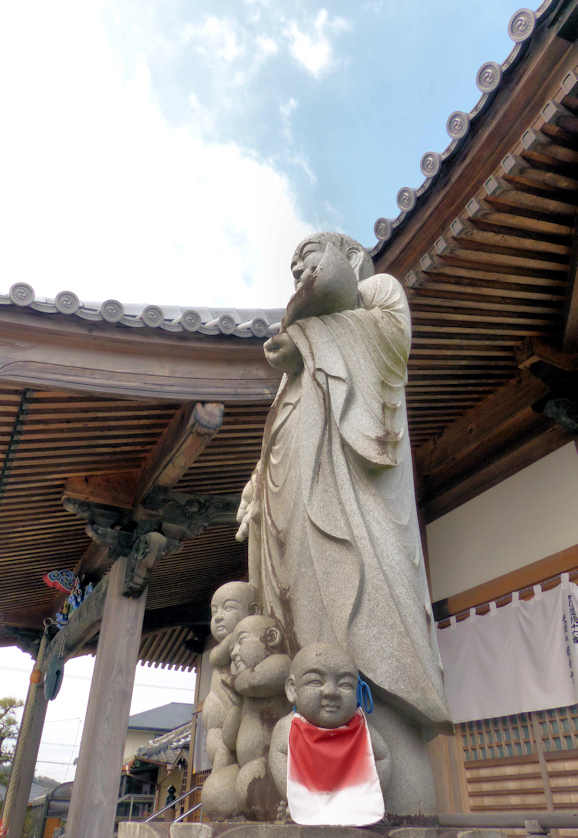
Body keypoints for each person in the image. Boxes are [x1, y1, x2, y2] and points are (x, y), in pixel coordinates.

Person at [236, 233, 450, 813]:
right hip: (295, 504)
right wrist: (258, 488)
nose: (298, 270)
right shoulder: (298, 359)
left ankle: (398, 793)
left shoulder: (374, 294)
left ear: (352, 259)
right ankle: (311, 791)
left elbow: (386, 343)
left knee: (369, 612)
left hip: (352, 499)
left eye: (309, 258)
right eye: (293, 266)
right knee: (308, 626)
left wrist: (305, 334)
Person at [269, 642, 390, 826]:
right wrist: (291, 795)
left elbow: (383, 757)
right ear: (293, 689)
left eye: (345, 684)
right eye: (316, 681)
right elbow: (278, 756)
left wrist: (370, 793)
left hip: (353, 804)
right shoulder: (289, 727)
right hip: (306, 802)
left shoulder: (360, 729)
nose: (331, 692)